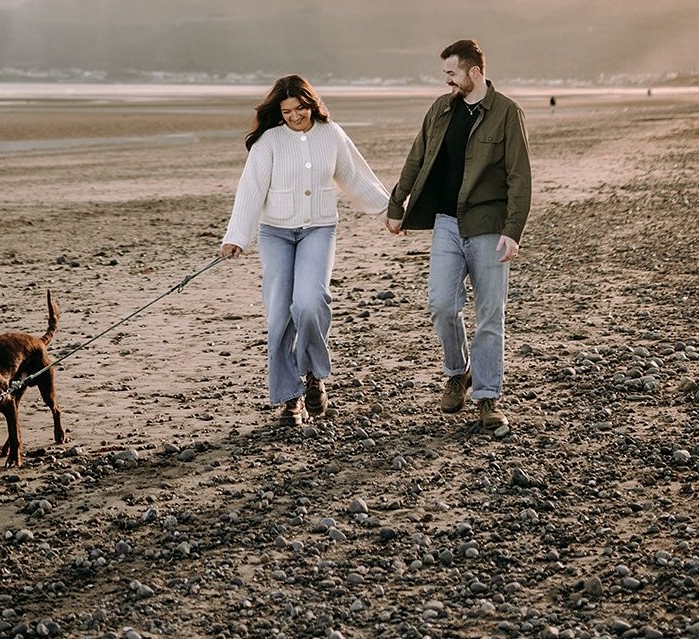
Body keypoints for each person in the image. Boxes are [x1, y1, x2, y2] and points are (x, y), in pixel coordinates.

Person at [220, 74, 390, 426]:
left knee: (310, 302)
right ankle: (290, 398)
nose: (295, 116)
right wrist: (237, 235)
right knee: (280, 313)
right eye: (287, 112)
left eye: (300, 108)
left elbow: (357, 178)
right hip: (276, 233)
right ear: (278, 113)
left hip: (318, 229)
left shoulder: (332, 135)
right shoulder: (269, 142)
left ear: (312, 103)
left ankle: (314, 374)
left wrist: (390, 212)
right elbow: (250, 190)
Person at [386, 40, 532, 433]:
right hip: (447, 223)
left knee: (489, 315)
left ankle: (487, 398)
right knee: (441, 306)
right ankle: (458, 372)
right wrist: (397, 204)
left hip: (488, 225)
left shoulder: (507, 113)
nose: (447, 80)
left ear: (475, 72)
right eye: (446, 74)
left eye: (452, 73)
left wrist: (513, 231)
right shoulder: (441, 109)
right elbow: (417, 157)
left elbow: (520, 178)